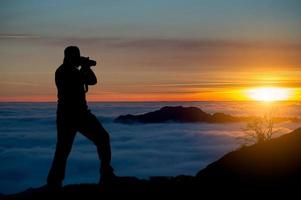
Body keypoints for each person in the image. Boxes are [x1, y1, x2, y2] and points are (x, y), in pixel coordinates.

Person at [47, 46, 115, 188]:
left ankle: (54, 181)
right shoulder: (66, 72)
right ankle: (106, 174)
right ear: (70, 57)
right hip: (75, 114)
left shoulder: (65, 70)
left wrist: (85, 67)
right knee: (101, 139)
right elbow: (90, 80)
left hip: (70, 114)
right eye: (76, 56)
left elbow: (91, 80)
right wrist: (85, 66)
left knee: (63, 148)